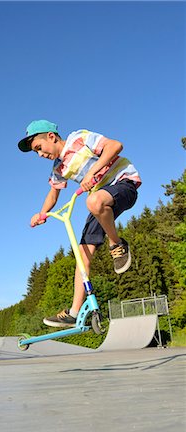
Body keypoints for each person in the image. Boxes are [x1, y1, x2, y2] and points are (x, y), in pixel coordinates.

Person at [18, 120, 141, 328]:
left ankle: (117, 244)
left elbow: (115, 145)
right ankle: (75, 312)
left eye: (39, 148)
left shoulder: (79, 138)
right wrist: (41, 214)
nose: (39, 154)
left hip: (122, 183)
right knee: (82, 253)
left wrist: (92, 172)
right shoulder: (59, 167)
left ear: (51, 136)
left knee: (93, 201)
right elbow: (54, 193)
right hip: (99, 200)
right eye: (35, 153)